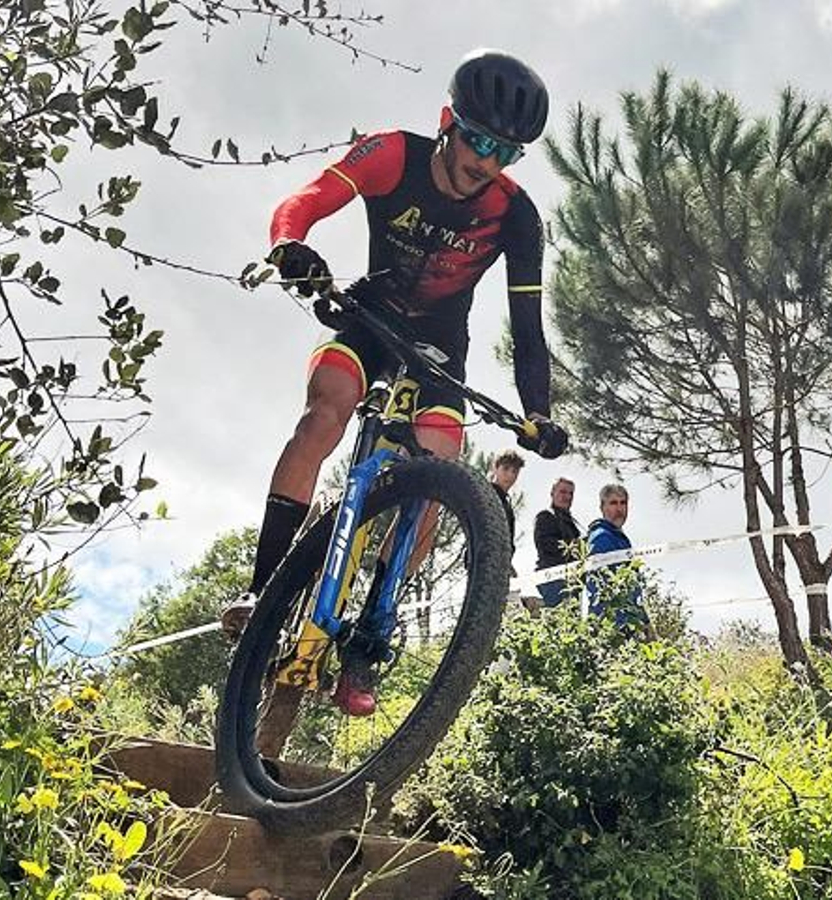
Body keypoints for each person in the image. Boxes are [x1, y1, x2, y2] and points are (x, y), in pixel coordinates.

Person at [225, 49, 569, 717]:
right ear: (448, 121)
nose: (488, 160)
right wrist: (290, 247)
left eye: (508, 150)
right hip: (369, 315)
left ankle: (367, 644)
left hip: (440, 343)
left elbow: (530, 330)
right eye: (479, 140)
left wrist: (538, 413)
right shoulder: (392, 154)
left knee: (438, 470)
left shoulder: (516, 215)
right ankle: (264, 589)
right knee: (326, 408)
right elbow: (304, 201)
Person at [585, 484, 643, 623]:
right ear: (602, 507)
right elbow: (600, 586)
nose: (619, 508)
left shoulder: (619, 538)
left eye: (623, 503)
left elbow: (631, 585)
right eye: (613, 503)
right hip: (611, 623)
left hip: (627, 619)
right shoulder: (602, 537)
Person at [532, 477, 581, 608]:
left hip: (572, 580)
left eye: (571, 493)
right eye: (563, 492)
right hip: (553, 578)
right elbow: (545, 545)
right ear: (552, 493)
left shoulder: (571, 523)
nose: (567, 497)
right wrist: (575, 546)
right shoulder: (546, 516)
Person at [487, 448, 525, 549]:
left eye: (515, 471)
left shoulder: (507, 505)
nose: (510, 475)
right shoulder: (486, 493)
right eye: (506, 468)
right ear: (495, 468)